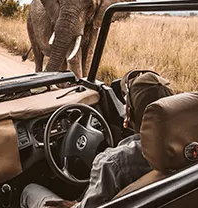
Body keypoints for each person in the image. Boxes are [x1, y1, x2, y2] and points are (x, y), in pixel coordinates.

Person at [20, 71, 174, 208]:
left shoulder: (113, 162)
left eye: (126, 102)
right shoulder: (188, 148)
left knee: (28, 191)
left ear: (128, 115)